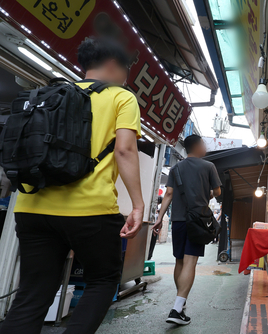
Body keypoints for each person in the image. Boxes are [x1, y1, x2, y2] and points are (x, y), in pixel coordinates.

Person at [0, 37, 144, 334]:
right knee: (103, 280)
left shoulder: (48, 93)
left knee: (32, 294)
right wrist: (138, 205)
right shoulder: (121, 97)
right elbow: (125, 150)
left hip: (32, 208)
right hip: (90, 211)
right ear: (113, 64)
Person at [153, 135, 221, 325]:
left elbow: (168, 194)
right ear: (198, 146)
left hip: (179, 220)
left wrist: (159, 219)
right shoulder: (208, 167)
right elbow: (218, 192)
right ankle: (176, 309)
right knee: (190, 262)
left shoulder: (176, 168)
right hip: (197, 220)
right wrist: (207, 191)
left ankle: (180, 304)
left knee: (180, 261)